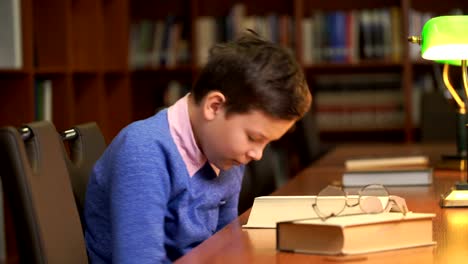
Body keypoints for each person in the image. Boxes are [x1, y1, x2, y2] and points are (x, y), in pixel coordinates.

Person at [84, 31, 312, 263]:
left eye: (267, 143)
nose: (257, 154)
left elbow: (225, 245)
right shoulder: (144, 152)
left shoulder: (225, 154)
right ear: (214, 106)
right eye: (253, 137)